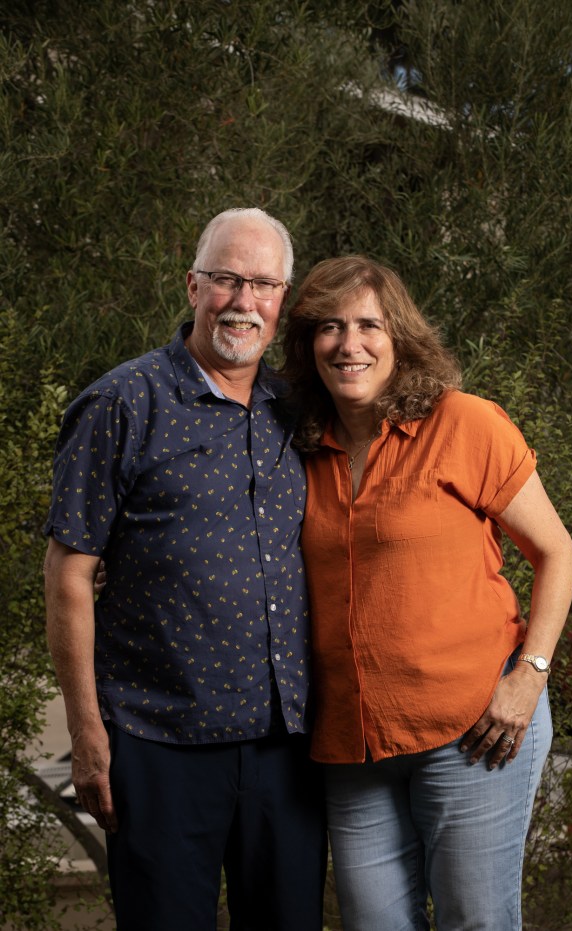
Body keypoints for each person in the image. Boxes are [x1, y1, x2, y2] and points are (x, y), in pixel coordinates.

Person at [43, 208, 326, 931]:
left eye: (262, 284)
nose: (243, 300)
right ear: (193, 285)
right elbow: (70, 572)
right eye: (227, 279)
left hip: (284, 746)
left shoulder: (294, 410)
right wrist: (87, 730)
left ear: (282, 299)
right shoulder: (122, 403)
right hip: (158, 741)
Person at [282, 255, 572, 931]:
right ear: (307, 344)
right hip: (351, 743)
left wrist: (528, 677)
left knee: (476, 919)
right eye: (328, 326)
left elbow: (557, 552)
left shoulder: (464, 423)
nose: (348, 343)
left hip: (474, 728)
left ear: (400, 336)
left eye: (367, 324)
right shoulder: (299, 446)